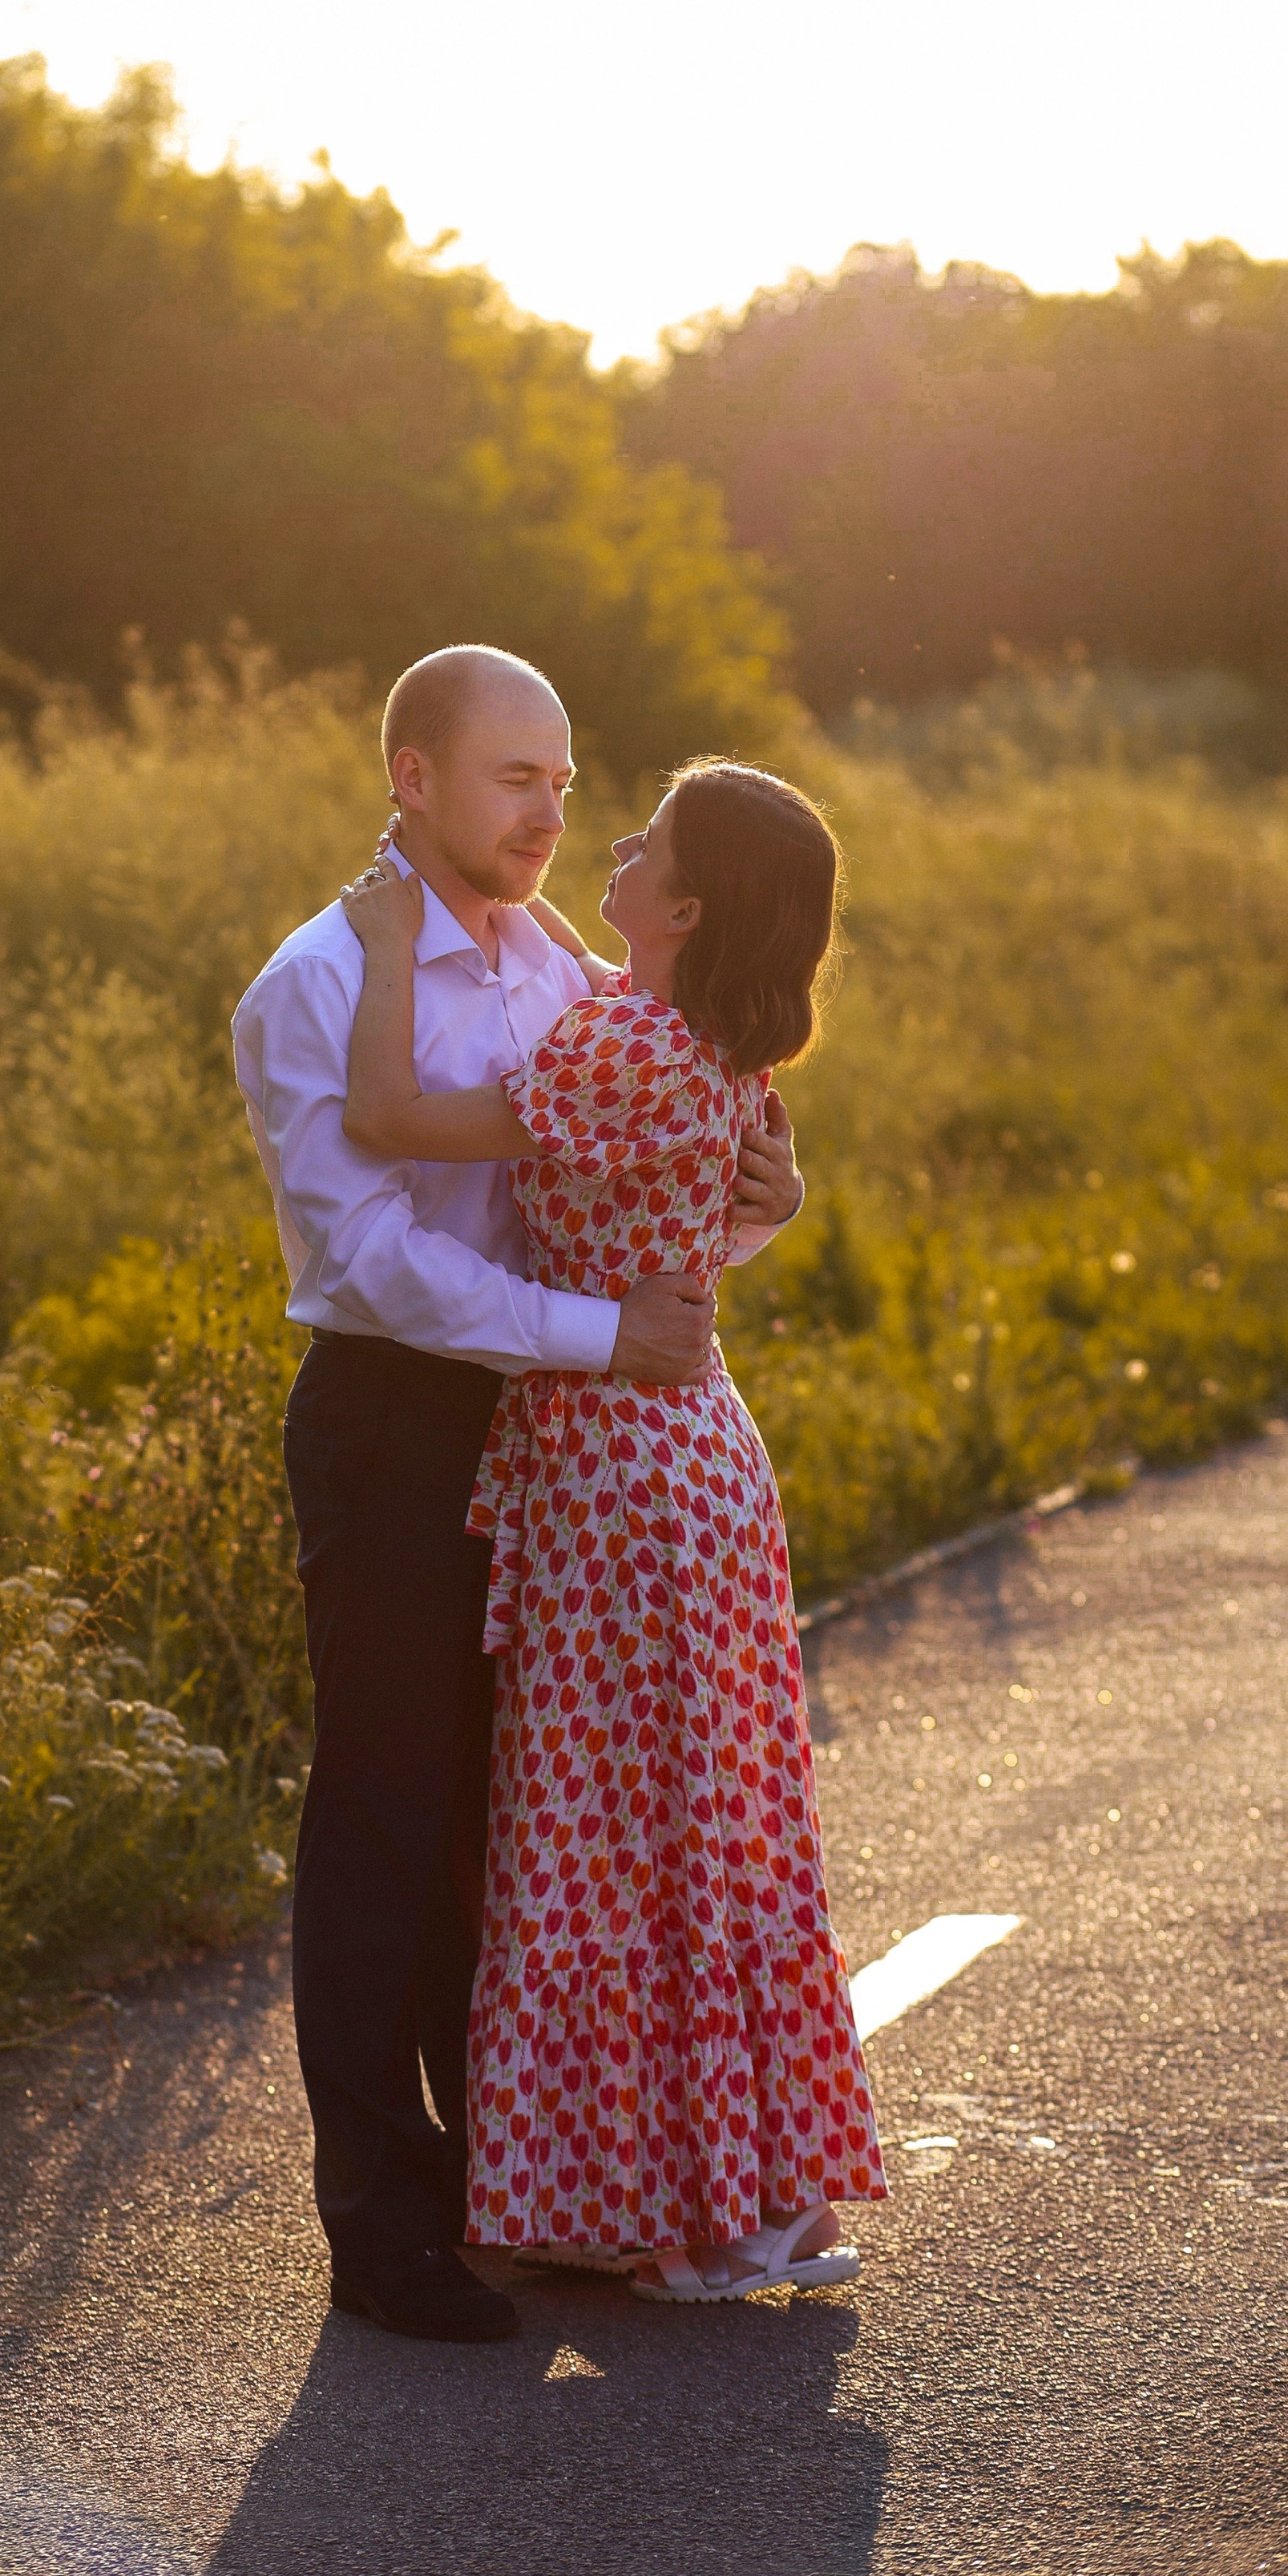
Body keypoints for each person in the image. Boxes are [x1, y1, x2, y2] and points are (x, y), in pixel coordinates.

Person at [231, 646, 804, 2342]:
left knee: (524, 1824)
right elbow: (375, 1260)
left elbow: (645, 1211)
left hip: (563, 1441)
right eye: (511, 780)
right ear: (410, 777)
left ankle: (523, 2181)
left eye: (562, 781)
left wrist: (760, 1202)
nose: (551, 812)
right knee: (387, 1814)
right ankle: (379, 2227)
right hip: (403, 1422)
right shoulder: (321, 981)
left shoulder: (561, 977)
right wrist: (600, 1338)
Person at [339, 756, 887, 2303]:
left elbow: (387, 1114)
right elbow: (715, 1187)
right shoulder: (690, 1038)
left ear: (687, 907)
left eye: (643, 840)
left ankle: (675, 2197)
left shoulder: (628, 1051)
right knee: (701, 1829)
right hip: (685, 1457)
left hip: (619, 1473)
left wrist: (389, 947)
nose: (612, 845)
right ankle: (707, 2183)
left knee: (603, 1833)